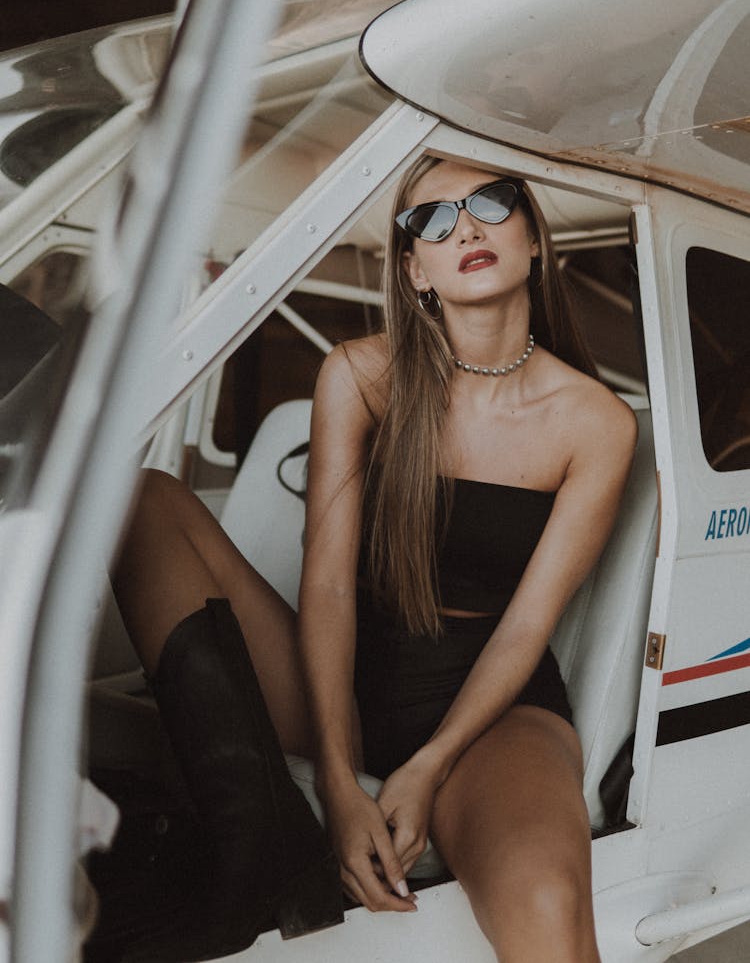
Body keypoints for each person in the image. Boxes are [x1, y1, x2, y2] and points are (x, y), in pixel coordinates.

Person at [112, 155, 637, 962]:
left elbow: (530, 621)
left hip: (490, 710)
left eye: (491, 203)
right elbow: (325, 584)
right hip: (346, 678)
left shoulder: (594, 421)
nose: (463, 225)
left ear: (534, 237)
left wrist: (427, 764)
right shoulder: (361, 376)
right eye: (431, 218)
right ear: (414, 270)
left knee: (546, 903)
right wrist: (333, 773)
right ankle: (258, 846)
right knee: (144, 499)